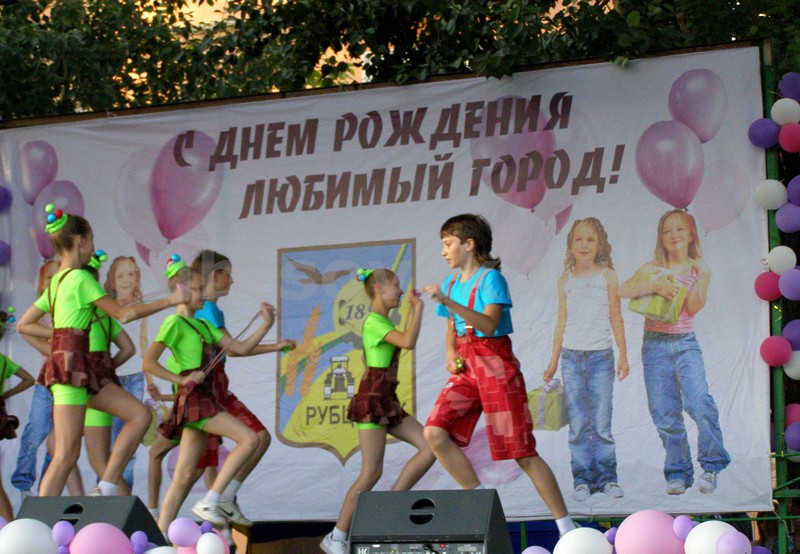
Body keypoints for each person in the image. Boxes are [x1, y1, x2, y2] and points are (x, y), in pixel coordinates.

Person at [421, 213, 577, 537]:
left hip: (495, 370)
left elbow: (489, 325)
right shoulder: (451, 283)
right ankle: (481, 506)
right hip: (467, 372)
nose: (444, 251)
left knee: (522, 452)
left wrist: (447, 301)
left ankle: (566, 526)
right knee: (434, 432)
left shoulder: (490, 279)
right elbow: (451, 328)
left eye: (448, 243)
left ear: (468, 244)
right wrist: (450, 354)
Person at [16, 206, 185, 497]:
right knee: (66, 454)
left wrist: (62, 336)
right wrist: (170, 300)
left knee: (139, 415)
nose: (93, 247)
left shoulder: (57, 282)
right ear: (79, 241)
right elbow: (123, 314)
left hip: (83, 371)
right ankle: (38, 521)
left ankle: (105, 487)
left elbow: (24, 325)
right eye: (92, 240)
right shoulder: (81, 279)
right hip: (71, 373)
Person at [141, 255, 274, 531]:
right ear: (182, 290)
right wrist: (182, 378)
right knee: (250, 438)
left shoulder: (205, 326)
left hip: (206, 397)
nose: (204, 294)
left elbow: (239, 348)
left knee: (184, 476)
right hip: (194, 400)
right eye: (198, 289)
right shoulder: (174, 323)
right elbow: (149, 363)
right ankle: (213, 499)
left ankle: (161, 539)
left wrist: (265, 324)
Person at [320, 268, 435, 554]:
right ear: (379, 289)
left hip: (386, 399)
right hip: (372, 400)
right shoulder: (373, 321)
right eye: (396, 285)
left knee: (430, 447)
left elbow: (376, 354)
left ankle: (390, 507)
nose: (400, 291)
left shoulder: (382, 322)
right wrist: (418, 309)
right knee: (371, 471)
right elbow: (407, 342)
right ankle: (336, 536)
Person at [618, 208, 729, 495]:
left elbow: (692, 307)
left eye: (680, 229)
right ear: (661, 236)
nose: (673, 235)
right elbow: (622, 290)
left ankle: (712, 466)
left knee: (699, 403)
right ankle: (678, 473)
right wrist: (653, 284)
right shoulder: (653, 267)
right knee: (664, 412)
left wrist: (703, 277)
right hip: (654, 345)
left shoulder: (697, 269)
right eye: (667, 230)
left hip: (684, 344)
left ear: (691, 234)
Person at [189, 250, 296, 526]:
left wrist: (275, 346)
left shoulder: (211, 310)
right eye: (228, 274)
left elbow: (232, 350)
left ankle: (224, 497)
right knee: (248, 440)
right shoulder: (206, 310)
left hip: (218, 385)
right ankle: (210, 500)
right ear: (216, 275)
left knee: (260, 437)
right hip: (210, 389)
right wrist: (266, 324)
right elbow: (236, 348)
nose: (232, 280)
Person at [543, 217, 629, 502]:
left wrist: (623, 355)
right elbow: (561, 321)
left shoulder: (608, 276)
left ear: (600, 245)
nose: (584, 245)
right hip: (571, 358)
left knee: (601, 422)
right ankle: (582, 479)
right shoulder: (565, 280)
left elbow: (616, 316)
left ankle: (607, 478)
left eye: (590, 239)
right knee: (578, 423)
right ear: (570, 245)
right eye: (578, 239)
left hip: (601, 357)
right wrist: (553, 361)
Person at [12, 258, 83, 499]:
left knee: (59, 440)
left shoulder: (70, 311)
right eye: (49, 278)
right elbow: (28, 332)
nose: (54, 282)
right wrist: (59, 337)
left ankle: (48, 489)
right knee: (36, 429)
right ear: (43, 283)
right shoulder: (41, 316)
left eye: (57, 277)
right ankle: (24, 483)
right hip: (47, 381)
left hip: (67, 379)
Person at [104, 255, 147, 490]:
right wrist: (107, 368)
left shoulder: (142, 305)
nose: (126, 280)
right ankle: (106, 491)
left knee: (129, 443)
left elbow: (141, 344)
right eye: (120, 275)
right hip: (110, 381)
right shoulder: (104, 307)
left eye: (130, 274)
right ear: (112, 279)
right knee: (109, 442)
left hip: (135, 378)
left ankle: (123, 497)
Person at [1, 307, 36, 520]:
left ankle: (9, 528)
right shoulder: (3, 360)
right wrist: (5, 394)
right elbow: (29, 379)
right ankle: (9, 528)